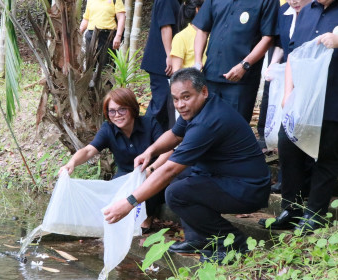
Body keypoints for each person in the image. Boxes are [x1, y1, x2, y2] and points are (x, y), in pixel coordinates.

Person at [103, 68, 271, 262]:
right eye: (175, 99)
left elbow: (170, 169)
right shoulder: (198, 109)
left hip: (248, 188)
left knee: (177, 192)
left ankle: (234, 242)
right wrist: (150, 151)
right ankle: (197, 237)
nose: (180, 105)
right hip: (223, 176)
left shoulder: (208, 122)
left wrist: (130, 202)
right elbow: (175, 135)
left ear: (204, 92)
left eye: (186, 97)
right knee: (182, 179)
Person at [259, 0, 338, 233]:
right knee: (288, 147)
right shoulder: (305, 13)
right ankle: (291, 209)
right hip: (302, 99)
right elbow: (293, 54)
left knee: (327, 156)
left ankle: (315, 214)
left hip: (333, 97)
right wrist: (287, 92)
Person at [59, 88, 167, 230]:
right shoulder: (108, 129)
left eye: (122, 110)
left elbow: (168, 152)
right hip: (125, 175)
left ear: (132, 108)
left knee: (148, 184)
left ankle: (148, 218)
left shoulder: (149, 123)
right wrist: (71, 163)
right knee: (113, 200)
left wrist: (151, 169)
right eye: (112, 111)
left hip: (153, 171)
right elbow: (89, 150)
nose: (117, 115)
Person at [192, 0, 279, 123]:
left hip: (241, 80)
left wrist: (244, 64)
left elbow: (268, 38)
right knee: (206, 126)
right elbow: (202, 29)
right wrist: (197, 60)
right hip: (210, 75)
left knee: (234, 130)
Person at [141, 0, 180, 131]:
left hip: (164, 61)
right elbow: (165, 27)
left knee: (167, 106)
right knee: (160, 104)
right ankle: (142, 137)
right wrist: (169, 55)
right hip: (162, 61)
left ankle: (158, 142)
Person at [80, 0, 126, 67]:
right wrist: (78, 32)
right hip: (91, 35)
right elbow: (86, 19)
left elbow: (121, 18)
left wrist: (118, 36)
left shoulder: (115, 0)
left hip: (107, 36)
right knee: (90, 66)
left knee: (107, 65)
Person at [170, 0, 206, 73]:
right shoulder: (181, 37)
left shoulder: (212, 33)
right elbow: (176, 71)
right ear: (198, 10)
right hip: (192, 83)